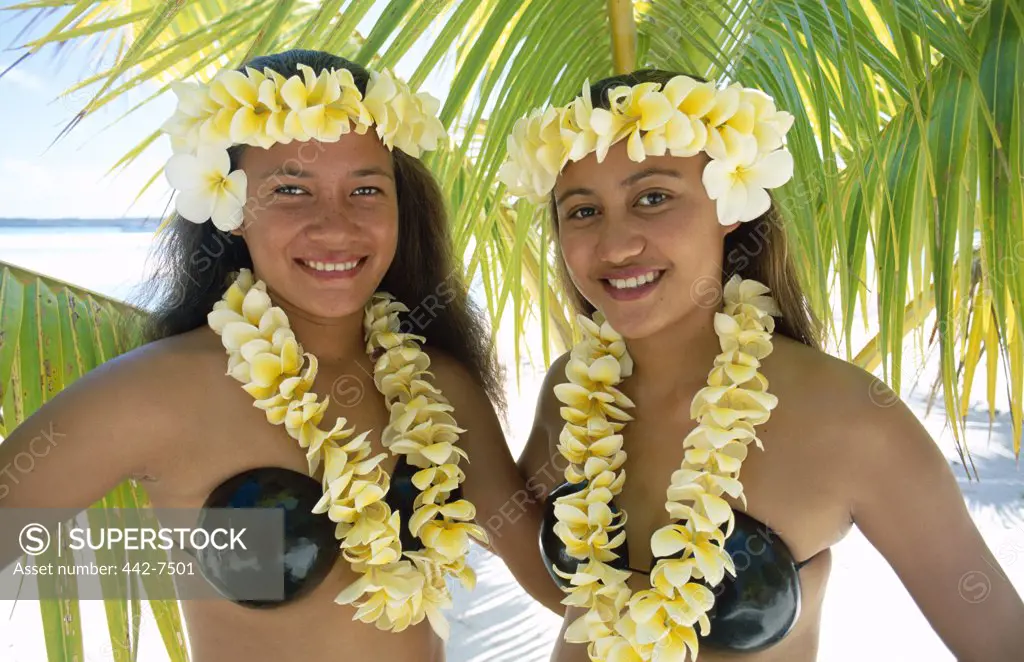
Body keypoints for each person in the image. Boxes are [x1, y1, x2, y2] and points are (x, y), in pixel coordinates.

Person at [0, 49, 562, 662]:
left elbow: (559, 579)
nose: (335, 226)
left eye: (366, 189)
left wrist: (594, 399)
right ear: (234, 210)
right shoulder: (162, 391)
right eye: (290, 189)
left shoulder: (438, 385)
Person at [504, 69, 1024, 661]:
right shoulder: (572, 391)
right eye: (582, 211)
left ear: (731, 203)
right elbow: (538, 563)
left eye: (653, 198)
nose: (617, 245)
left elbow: (1002, 640)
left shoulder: (852, 420)